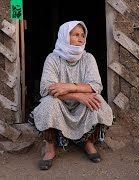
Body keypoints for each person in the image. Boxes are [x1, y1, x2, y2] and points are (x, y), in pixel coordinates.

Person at [32, 20, 113, 170]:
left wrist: (68, 87)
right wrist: (78, 96)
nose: (81, 38)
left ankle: (88, 143)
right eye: (76, 34)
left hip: (80, 107)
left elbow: (96, 86)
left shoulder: (88, 58)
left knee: (96, 100)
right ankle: (50, 149)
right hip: (60, 104)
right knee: (48, 103)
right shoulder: (53, 59)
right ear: (64, 36)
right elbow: (47, 88)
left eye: (83, 35)